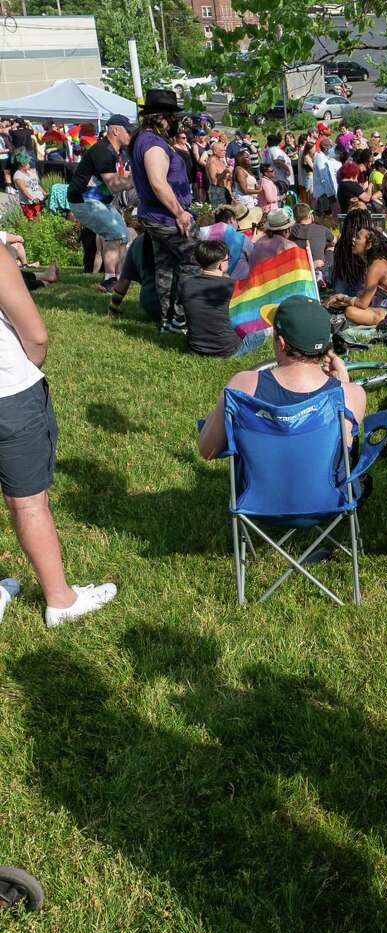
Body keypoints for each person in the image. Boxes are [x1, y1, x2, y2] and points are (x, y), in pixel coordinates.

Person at [0, 248, 117, 625]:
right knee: (29, 502)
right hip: (8, 393)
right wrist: (27, 365)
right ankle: (60, 599)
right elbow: (35, 335)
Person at [198, 296, 367, 459]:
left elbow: (208, 450)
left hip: (260, 489)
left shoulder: (243, 386)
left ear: (281, 343)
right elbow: (342, 450)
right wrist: (343, 383)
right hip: (325, 489)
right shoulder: (352, 395)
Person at [130, 89, 197, 336]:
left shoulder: (143, 140)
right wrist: (179, 213)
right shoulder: (153, 143)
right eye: (172, 117)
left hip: (155, 216)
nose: (175, 123)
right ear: (162, 118)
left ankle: (168, 321)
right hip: (166, 216)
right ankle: (181, 318)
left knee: (166, 267)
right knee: (194, 260)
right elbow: (158, 182)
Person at [66, 114, 134, 291]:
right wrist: (138, 180)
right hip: (84, 200)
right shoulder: (103, 151)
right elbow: (114, 184)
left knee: (124, 236)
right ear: (116, 130)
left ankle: (120, 278)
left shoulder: (114, 151)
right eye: (129, 131)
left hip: (99, 201)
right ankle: (109, 280)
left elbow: (120, 177)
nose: (131, 135)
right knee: (115, 234)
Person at [178, 239, 243, 358]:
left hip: (195, 347)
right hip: (228, 349)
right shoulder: (233, 286)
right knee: (262, 332)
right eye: (228, 259)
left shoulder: (186, 284)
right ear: (221, 265)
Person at [344, 228, 387, 327]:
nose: (353, 239)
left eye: (358, 237)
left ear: (369, 245)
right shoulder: (381, 259)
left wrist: (343, 298)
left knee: (350, 311)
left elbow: (363, 304)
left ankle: (384, 318)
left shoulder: (376, 266)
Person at [290, 203, 334, 276]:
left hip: (300, 269)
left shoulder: (290, 232)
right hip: (319, 267)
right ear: (309, 215)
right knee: (331, 248)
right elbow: (335, 242)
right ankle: (326, 274)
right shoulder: (321, 229)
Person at [12, 153, 43, 220]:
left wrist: (44, 193)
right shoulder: (18, 176)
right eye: (28, 163)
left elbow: (37, 184)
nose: (29, 164)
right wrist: (32, 199)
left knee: (38, 218)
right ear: (23, 164)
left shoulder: (30, 172)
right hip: (28, 203)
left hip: (38, 200)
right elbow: (23, 190)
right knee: (31, 219)